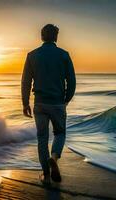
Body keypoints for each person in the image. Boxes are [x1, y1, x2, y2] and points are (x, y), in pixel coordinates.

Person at [21, 24, 76, 184]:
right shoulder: (64, 55)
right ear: (56, 37)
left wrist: (25, 103)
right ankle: (54, 158)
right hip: (57, 102)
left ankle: (45, 173)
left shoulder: (32, 55)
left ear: (41, 36)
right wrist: (66, 99)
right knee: (60, 133)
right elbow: (71, 81)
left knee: (42, 138)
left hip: (40, 103)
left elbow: (25, 81)